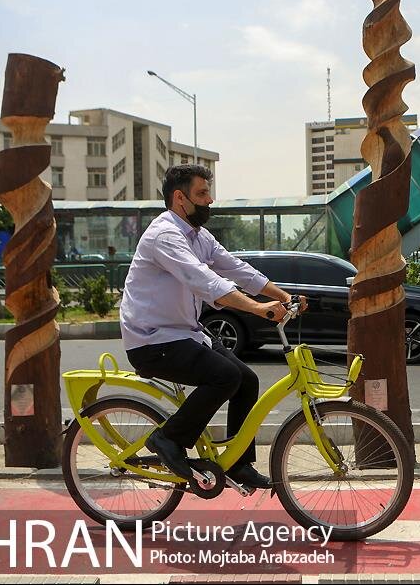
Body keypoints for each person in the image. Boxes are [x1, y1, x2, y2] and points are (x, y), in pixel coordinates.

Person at [120, 164, 307, 488]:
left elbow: (235, 268)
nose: (211, 200)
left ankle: (238, 463)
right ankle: (168, 439)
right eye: (202, 193)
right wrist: (258, 308)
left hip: (184, 332)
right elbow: (203, 279)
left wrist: (283, 295)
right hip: (152, 341)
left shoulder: (198, 235)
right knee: (226, 377)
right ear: (181, 198)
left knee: (246, 380)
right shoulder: (165, 235)